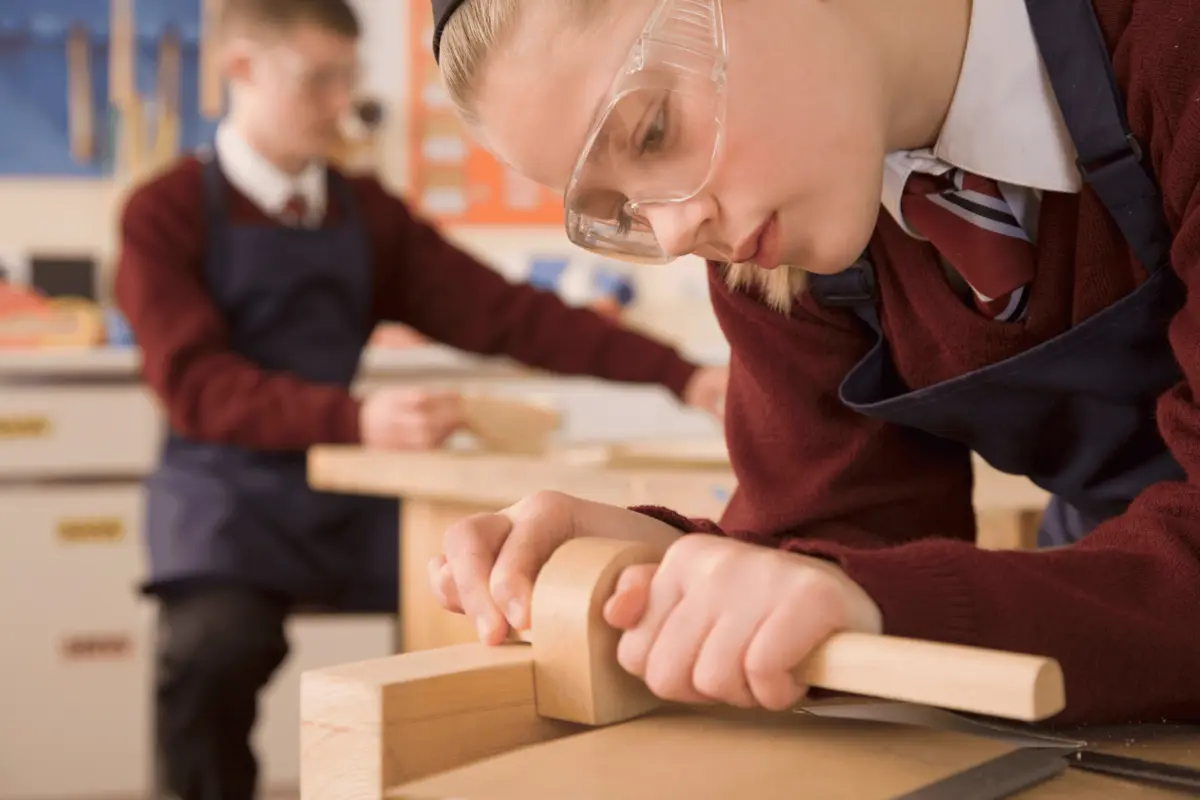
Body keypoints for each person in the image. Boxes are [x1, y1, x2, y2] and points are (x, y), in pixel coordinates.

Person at [422, 0, 1200, 730]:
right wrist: (664, 563)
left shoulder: (1174, 41)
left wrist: (874, 600)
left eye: (654, 130)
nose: (671, 232)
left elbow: (880, 594)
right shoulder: (779, 252)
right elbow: (850, 547)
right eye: (620, 207)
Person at [113, 1, 726, 797]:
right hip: (223, 501)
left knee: (489, 611)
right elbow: (196, 386)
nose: (342, 104)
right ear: (241, 71)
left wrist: (685, 375)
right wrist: (359, 419)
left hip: (350, 502)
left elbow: (509, 314)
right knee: (211, 654)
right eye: (319, 80)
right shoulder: (160, 212)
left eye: (348, 78)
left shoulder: (365, 214)